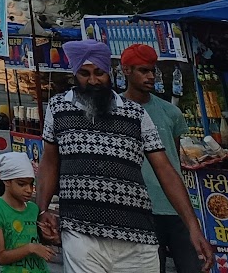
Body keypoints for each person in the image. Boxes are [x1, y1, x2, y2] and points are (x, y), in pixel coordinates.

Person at [36, 40, 213, 273]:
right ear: (74, 74)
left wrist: (193, 226)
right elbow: (49, 162)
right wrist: (41, 211)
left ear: (108, 72)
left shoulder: (135, 114)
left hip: (137, 236)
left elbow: (166, 170)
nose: (92, 81)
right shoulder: (58, 108)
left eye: (99, 73)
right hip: (80, 233)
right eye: (84, 73)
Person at [120, 44, 194, 273]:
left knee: (193, 266)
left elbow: (173, 160)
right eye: (143, 70)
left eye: (153, 70)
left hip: (174, 208)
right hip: (138, 210)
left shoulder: (170, 112)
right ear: (126, 71)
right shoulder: (116, 111)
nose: (150, 76)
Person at [0, 151, 53, 273]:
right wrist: (30, 248)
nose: (29, 190)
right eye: (22, 184)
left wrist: (51, 236)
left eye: (31, 184)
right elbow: (0, 257)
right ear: (7, 181)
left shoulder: (33, 209)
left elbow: (38, 241)